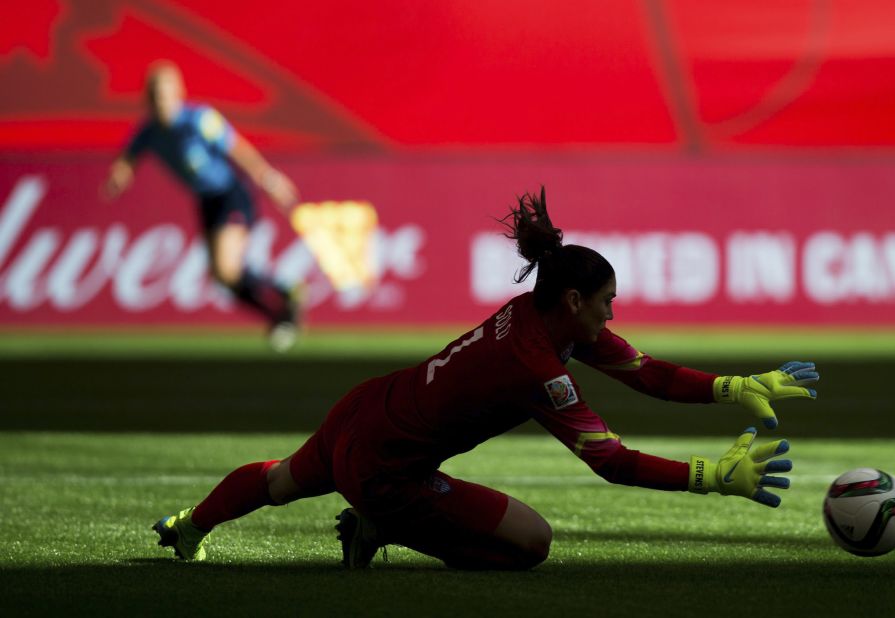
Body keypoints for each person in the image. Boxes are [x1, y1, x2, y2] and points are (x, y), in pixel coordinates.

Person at [152, 188, 820, 569]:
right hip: (386, 468)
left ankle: (189, 525)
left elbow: (645, 373)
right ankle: (378, 526)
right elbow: (611, 463)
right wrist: (715, 478)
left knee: (277, 482)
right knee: (531, 544)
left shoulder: (537, 316)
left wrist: (732, 387)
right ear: (574, 303)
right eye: (606, 301)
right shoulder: (535, 368)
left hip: (365, 409)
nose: (612, 313)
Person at [103, 61, 303, 351]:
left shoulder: (199, 120)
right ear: (148, 98)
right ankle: (280, 311)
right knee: (223, 277)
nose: (162, 102)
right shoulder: (148, 131)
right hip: (207, 201)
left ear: (179, 93)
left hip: (230, 195)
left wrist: (268, 178)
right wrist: (119, 174)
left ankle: (286, 293)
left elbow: (236, 147)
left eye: (167, 94)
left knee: (226, 266)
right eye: (156, 95)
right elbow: (128, 156)